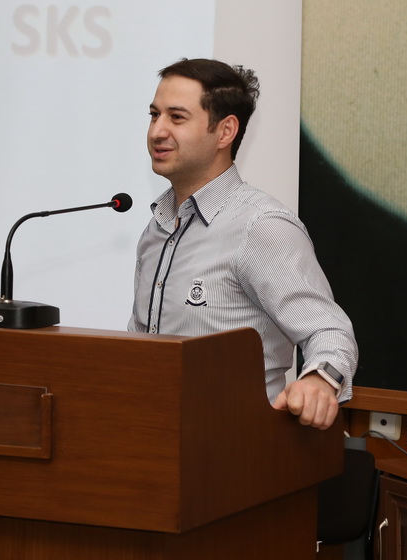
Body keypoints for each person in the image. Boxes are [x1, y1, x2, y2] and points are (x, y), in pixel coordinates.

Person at [129, 58, 358, 430]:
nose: (157, 131)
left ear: (225, 132)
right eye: (155, 115)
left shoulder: (261, 227)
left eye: (177, 117)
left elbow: (328, 330)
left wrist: (320, 380)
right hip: (154, 436)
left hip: (237, 444)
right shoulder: (157, 227)